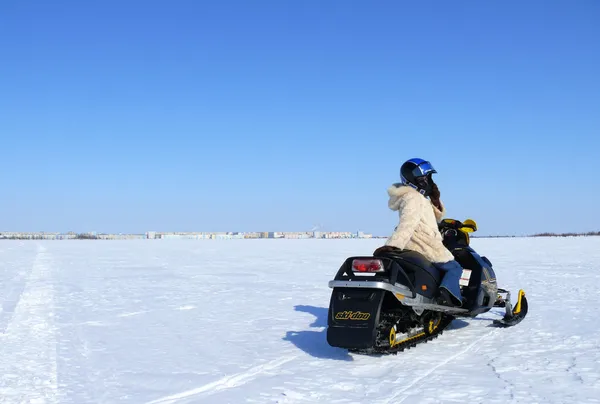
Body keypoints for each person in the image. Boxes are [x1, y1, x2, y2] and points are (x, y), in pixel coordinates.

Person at [376, 158, 464, 307]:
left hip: (419, 242)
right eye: (426, 178)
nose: (429, 181)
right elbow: (407, 223)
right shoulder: (414, 198)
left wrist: (435, 199)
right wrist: (393, 245)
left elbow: (435, 217)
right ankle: (447, 296)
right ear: (415, 179)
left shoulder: (417, 197)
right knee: (455, 267)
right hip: (424, 244)